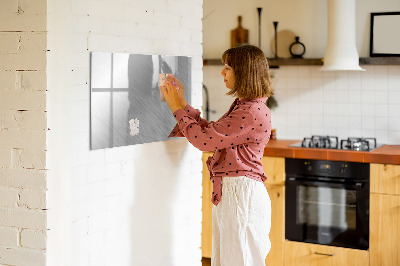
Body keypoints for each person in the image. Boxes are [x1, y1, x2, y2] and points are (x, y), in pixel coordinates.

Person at [161, 44, 273, 266]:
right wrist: (182, 103)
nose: (222, 72)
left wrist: (176, 108)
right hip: (236, 193)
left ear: (244, 72)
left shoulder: (250, 111)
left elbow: (204, 141)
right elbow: (212, 133)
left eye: (228, 67)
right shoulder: (246, 106)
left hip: (241, 195)